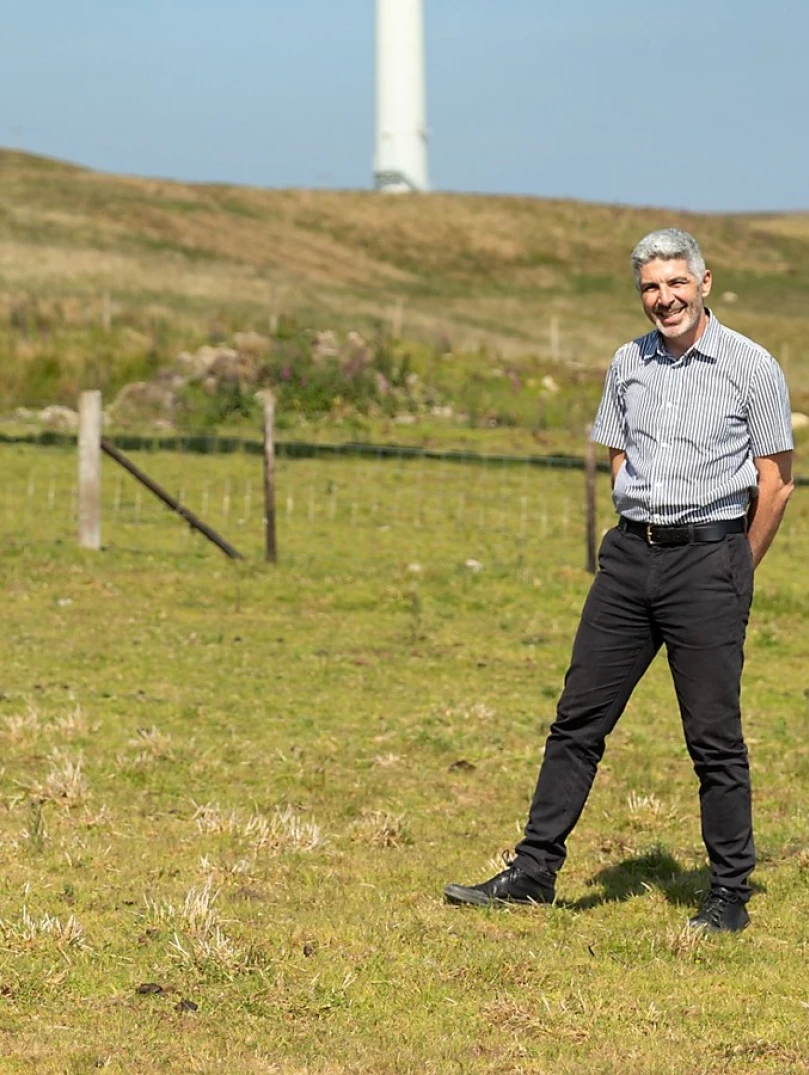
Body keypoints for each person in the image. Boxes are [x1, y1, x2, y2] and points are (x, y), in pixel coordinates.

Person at [444, 228, 794, 932]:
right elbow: (618, 453)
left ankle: (728, 892)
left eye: (674, 283)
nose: (662, 298)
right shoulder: (626, 363)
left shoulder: (751, 366)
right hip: (629, 560)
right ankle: (533, 871)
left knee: (712, 736)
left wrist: (733, 567)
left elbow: (775, 482)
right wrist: (638, 527)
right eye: (649, 287)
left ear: (704, 283)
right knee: (577, 719)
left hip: (709, 560)